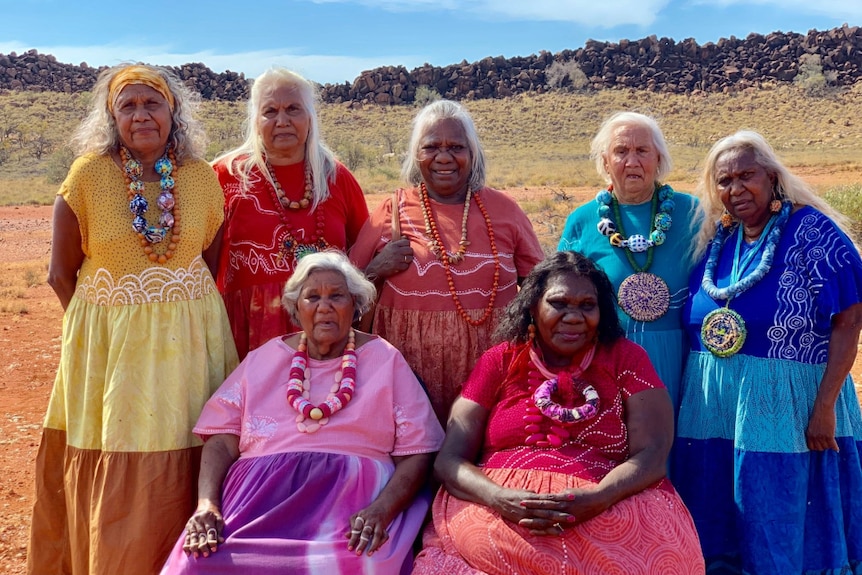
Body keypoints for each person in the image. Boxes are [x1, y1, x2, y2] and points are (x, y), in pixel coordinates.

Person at [29, 64, 238, 575]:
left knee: (193, 442)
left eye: (153, 104)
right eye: (128, 105)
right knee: (121, 450)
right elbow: (61, 275)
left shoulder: (200, 176)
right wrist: (104, 333)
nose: (142, 115)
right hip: (111, 353)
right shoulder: (87, 175)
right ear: (111, 116)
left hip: (190, 347)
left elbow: (205, 266)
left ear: (174, 113)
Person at [413, 250, 705, 574]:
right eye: (559, 303)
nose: (573, 317)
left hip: (609, 503)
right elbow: (449, 461)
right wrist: (499, 499)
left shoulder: (626, 358)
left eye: (587, 306)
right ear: (533, 306)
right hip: (497, 509)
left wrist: (598, 498)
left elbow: (651, 453)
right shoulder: (500, 360)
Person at [160, 251, 445, 574]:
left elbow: (417, 452)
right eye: (313, 297)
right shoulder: (264, 358)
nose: (324, 306)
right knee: (199, 563)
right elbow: (222, 440)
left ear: (355, 306)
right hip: (257, 505)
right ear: (296, 309)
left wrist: (381, 510)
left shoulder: (384, 358)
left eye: (337, 296)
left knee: (352, 563)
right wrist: (207, 505)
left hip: (350, 507)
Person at [674, 131, 862, 574]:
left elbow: (849, 320)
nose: (736, 189)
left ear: (772, 177)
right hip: (713, 410)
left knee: (780, 516)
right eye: (724, 181)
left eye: (746, 175)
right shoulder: (717, 239)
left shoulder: (812, 231)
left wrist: (825, 407)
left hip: (788, 409)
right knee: (718, 519)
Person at [349, 99, 544, 424]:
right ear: (416, 154)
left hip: (492, 368)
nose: (443, 157)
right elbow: (345, 288)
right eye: (431, 147)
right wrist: (376, 269)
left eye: (456, 146)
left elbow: (540, 285)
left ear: (472, 154)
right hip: (407, 369)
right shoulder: (391, 209)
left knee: (481, 458)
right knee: (415, 455)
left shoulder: (504, 209)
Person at [213, 67, 369, 360]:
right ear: (255, 121)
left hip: (324, 330)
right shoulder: (225, 175)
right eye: (270, 111)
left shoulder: (336, 176)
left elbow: (363, 255)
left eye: (293, 109)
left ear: (310, 117)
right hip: (242, 330)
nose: (282, 120)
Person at [557, 112, 699, 415]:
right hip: (609, 358)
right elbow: (559, 298)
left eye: (642, 151)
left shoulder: (694, 214)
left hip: (685, 358)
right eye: (621, 151)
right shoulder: (582, 221)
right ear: (606, 161)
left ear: (658, 158)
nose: (632, 161)